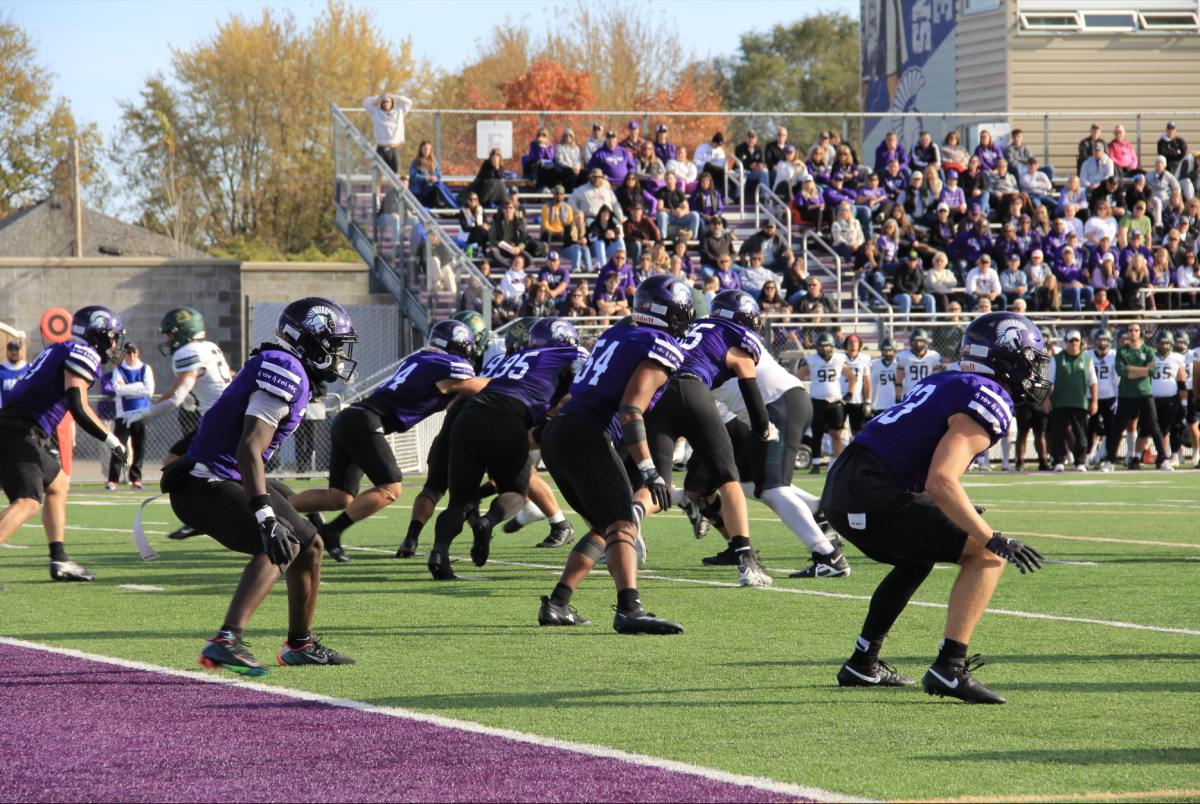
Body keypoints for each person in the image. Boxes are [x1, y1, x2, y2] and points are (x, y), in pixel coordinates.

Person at [823, 311, 1048, 703]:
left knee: (916, 558)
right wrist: (993, 538)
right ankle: (949, 668)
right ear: (1005, 358)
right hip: (871, 489)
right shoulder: (989, 395)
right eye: (1030, 360)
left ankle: (863, 662)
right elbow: (941, 480)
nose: (1034, 373)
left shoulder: (947, 379)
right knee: (986, 554)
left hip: (845, 481)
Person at [166, 298, 359, 676]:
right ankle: (226, 640)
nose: (338, 353)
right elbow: (249, 447)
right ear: (310, 341)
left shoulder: (286, 365)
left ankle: (299, 645)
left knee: (312, 544)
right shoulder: (285, 369)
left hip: (221, 474)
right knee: (280, 542)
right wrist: (266, 514)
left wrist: (273, 492)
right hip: (207, 481)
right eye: (333, 343)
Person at [537, 275, 692, 633]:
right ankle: (629, 609)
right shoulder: (659, 344)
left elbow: (569, 398)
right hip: (586, 432)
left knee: (603, 527)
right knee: (623, 522)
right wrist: (651, 471)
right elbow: (631, 410)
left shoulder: (617, 334)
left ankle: (558, 604)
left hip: (561, 429)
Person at [288, 319, 487, 564]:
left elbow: (449, 399)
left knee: (339, 498)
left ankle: (277, 510)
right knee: (391, 488)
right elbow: (482, 387)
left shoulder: (419, 359)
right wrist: (512, 378)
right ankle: (331, 532)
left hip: (350, 417)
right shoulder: (450, 366)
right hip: (366, 421)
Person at [430, 317, 588, 575]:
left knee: (460, 502)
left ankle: (439, 552)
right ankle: (488, 522)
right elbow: (583, 387)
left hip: (468, 417)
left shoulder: (515, 357)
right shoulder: (572, 353)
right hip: (509, 419)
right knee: (515, 491)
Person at [642, 289, 775, 584]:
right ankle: (747, 561)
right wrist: (763, 428)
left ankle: (625, 525)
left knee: (658, 483)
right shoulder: (737, 339)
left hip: (658, 393)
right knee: (728, 479)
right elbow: (750, 390)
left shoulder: (691, 327)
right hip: (693, 392)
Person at [0, 306, 128, 584]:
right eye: (113, 337)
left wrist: (110, 437)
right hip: (19, 429)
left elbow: (77, 402)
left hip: (18, 426)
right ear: (99, 334)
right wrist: (110, 439)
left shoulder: (64, 347)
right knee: (27, 502)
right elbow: (78, 405)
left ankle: (59, 559)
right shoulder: (84, 352)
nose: (115, 344)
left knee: (58, 484)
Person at [121, 308, 234, 539]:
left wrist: (144, 411)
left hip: (220, 423)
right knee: (184, 466)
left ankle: (200, 519)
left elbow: (175, 397)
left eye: (170, 335)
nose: (167, 341)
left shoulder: (189, 352)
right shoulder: (209, 347)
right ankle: (200, 519)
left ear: (182, 333)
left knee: (177, 467)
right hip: (224, 419)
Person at [1102, 322, 1169, 472]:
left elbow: (1152, 372)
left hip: (1145, 394)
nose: (1133, 332)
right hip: (1126, 395)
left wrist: (1132, 368)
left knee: (1154, 427)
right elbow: (1121, 372)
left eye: (1136, 330)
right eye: (1130, 330)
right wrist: (1143, 369)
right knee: (1118, 428)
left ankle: (1163, 459)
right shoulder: (1122, 351)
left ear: (1140, 332)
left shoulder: (1148, 350)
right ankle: (1110, 461)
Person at [796, 333, 857, 474]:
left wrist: (849, 394)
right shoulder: (811, 360)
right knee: (817, 433)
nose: (824, 348)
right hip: (817, 400)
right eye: (821, 346)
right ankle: (816, 465)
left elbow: (852, 378)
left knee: (836, 433)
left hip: (835, 400)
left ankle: (837, 463)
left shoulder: (839, 359)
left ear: (832, 347)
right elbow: (797, 377)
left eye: (826, 345)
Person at [1045, 330, 1098, 472]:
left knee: (1081, 435)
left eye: (1076, 341)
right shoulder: (1057, 359)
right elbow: (1049, 381)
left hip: (1080, 402)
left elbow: (1093, 382)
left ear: (1080, 342)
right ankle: (1058, 461)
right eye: (1071, 341)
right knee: (1058, 434)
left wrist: (1094, 401)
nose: (1074, 343)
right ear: (1065, 343)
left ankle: (1080, 461)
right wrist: (1046, 401)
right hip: (1059, 402)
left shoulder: (1087, 359)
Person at [105, 343, 154, 491]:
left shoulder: (146, 368)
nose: (131, 355)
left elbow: (149, 390)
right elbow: (119, 390)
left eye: (133, 352)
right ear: (124, 354)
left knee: (139, 447)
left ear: (137, 353)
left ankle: (136, 479)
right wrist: (139, 385)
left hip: (141, 413)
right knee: (118, 446)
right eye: (128, 352)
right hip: (124, 415)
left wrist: (130, 387)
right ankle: (113, 480)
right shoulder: (119, 370)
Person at [1148, 330, 1186, 470]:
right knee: (1150, 428)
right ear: (1156, 344)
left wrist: (1184, 403)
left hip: (1171, 398)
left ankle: (1164, 456)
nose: (1163, 346)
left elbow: (1181, 382)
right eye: (1161, 343)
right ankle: (1138, 455)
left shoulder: (1177, 358)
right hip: (1151, 398)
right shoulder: (1150, 356)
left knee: (1166, 428)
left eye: (1166, 343)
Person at [363, 90, 414, 185]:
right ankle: (377, 198)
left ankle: (394, 197)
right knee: (378, 174)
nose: (386, 104)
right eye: (384, 102)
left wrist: (394, 96)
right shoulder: (376, 112)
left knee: (395, 175)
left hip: (394, 147)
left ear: (392, 103)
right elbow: (365, 103)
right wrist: (379, 96)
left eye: (388, 102)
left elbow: (409, 102)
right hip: (381, 147)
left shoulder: (398, 111)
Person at [1086, 330, 1118, 466]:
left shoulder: (1114, 356)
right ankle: (1087, 456)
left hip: (1109, 397)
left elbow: (1116, 379)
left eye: (1105, 340)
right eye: (1100, 340)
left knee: (1110, 428)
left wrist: (1117, 398)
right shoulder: (1087, 355)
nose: (1102, 343)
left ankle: (1108, 457)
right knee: (1090, 428)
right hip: (1091, 396)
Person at [895, 328, 941, 400]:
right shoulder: (903, 356)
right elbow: (899, 380)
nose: (918, 344)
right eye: (915, 341)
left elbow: (936, 379)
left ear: (925, 342)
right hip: (909, 393)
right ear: (911, 342)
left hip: (927, 393)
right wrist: (898, 396)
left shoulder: (933, 356)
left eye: (921, 341)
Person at [840, 334, 872, 437]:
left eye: (855, 342)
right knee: (837, 430)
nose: (853, 344)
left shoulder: (865, 359)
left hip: (857, 399)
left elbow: (867, 382)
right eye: (850, 342)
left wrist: (868, 402)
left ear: (859, 345)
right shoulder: (839, 357)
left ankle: (855, 452)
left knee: (857, 430)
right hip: (840, 398)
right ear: (846, 344)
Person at [655, 171, 700, 240]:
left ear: (675, 180)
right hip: (668, 216)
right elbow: (659, 208)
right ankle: (663, 238)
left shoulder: (679, 192)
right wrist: (672, 211)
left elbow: (686, 208)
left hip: (679, 216)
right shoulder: (662, 192)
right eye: (667, 180)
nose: (669, 181)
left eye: (671, 179)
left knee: (695, 215)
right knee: (662, 215)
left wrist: (682, 212)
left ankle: (693, 238)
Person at [893, 250, 935, 319]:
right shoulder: (899, 269)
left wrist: (920, 295)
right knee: (906, 298)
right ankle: (905, 325)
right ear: (906, 260)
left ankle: (933, 323)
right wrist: (911, 294)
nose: (912, 262)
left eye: (914, 260)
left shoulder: (920, 271)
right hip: (901, 295)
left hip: (917, 297)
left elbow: (923, 286)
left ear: (917, 261)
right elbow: (897, 286)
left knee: (930, 298)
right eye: (910, 260)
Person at [870, 337, 900, 416]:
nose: (888, 353)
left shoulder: (899, 364)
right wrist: (871, 403)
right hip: (881, 403)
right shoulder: (875, 364)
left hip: (895, 402)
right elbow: (873, 385)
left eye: (890, 351)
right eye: (886, 351)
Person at [735, 130, 769, 198]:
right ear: (746, 138)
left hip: (753, 172)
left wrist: (759, 165)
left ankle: (765, 196)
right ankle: (740, 196)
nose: (751, 140)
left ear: (756, 139)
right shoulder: (740, 148)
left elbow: (762, 161)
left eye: (753, 138)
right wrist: (750, 166)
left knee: (765, 171)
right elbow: (739, 163)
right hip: (742, 170)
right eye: (749, 138)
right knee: (742, 173)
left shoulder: (759, 148)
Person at [0, 340, 28, 407]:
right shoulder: (1, 369)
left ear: (22, 352)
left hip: (25, 413)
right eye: (11, 350)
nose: (14, 353)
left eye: (16, 350)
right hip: (6, 413)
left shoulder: (30, 368)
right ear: (6, 352)